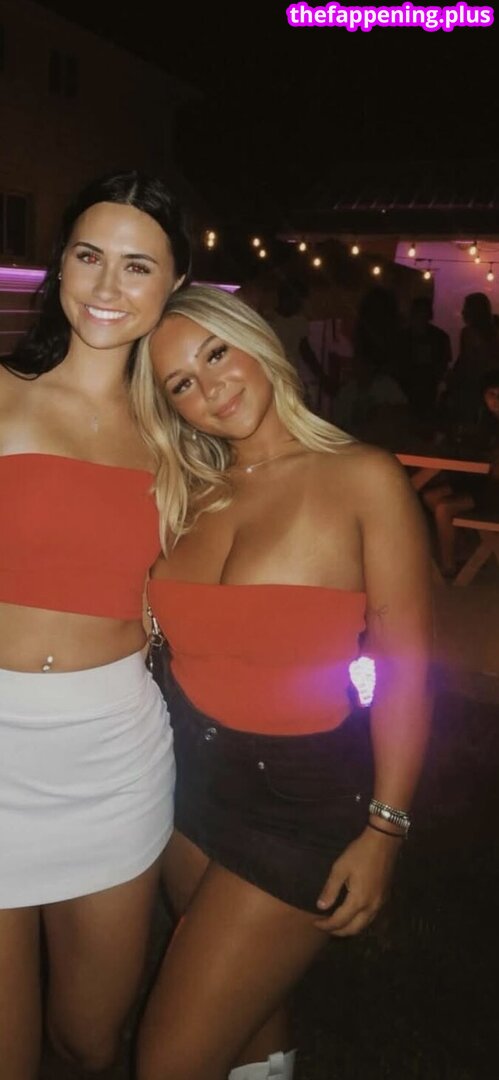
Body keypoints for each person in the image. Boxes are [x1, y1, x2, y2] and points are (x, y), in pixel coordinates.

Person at [132, 285, 432, 1080]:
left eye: (215, 353)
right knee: (247, 1014)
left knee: (167, 1061)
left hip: (299, 804)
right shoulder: (185, 494)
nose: (209, 387)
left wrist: (385, 828)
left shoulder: (361, 476)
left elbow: (404, 669)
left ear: (255, 341)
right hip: (183, 786)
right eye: (181, 384)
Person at [0, 170, 190, 1080]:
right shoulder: (3, 394)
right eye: (88, 256)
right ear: (60, 267)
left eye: (137, 265)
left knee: (89, 1040)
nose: (107, 286)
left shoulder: (184, 435)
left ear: (173, 285)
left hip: (114, 753)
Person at [422, 368, 499, 577]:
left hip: (493, 492)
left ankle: (448, 569)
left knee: (444, 508)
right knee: (430, 496)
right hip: (480, 483)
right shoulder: (485, 421)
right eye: (491, 394)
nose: (495, 401)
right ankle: (464, 549)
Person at [400, 297, 452, 422]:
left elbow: (443, 364)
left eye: (422, 312)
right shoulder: (439, 337)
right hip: (409, 389)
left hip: (427, 389)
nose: (421, 317)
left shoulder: (439, 337)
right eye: (419, 312)